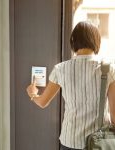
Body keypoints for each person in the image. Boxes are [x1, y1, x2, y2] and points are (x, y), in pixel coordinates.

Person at [26, 21, 115, 150]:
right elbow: (114, 116)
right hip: (99, 143)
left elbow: (43, 102)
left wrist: (33, 94)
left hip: (70, 141)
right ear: (96, 41)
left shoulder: (60, 69)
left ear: (73, 41)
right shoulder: (108, 70)